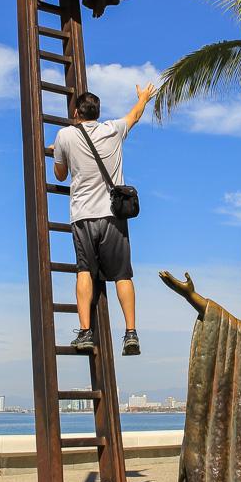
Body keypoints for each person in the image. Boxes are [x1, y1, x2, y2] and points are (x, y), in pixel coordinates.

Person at [53, 84, 156, 354]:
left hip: (83, 216)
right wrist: (143, 97)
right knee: (123, 274)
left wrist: (58, 152)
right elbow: (134, 115)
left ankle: (86, 332)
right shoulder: (113, 129)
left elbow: (60, 175)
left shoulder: (64, 136)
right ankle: (131, 333)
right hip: (113, 216)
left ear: (76, 112)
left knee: (84, 270)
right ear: (97, 113)